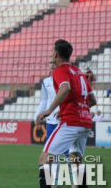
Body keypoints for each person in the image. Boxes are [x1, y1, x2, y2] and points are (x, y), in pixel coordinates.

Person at [36, 40, 97, 188]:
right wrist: (74, 109)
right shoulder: (80, 73)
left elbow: (65, 88)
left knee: (45, 159)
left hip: (71, 122)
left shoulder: (59, 70)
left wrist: (49, 110)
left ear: (56, 54)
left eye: (52, 53)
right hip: (86, 123)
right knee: (76, 162)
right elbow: (93, 100)